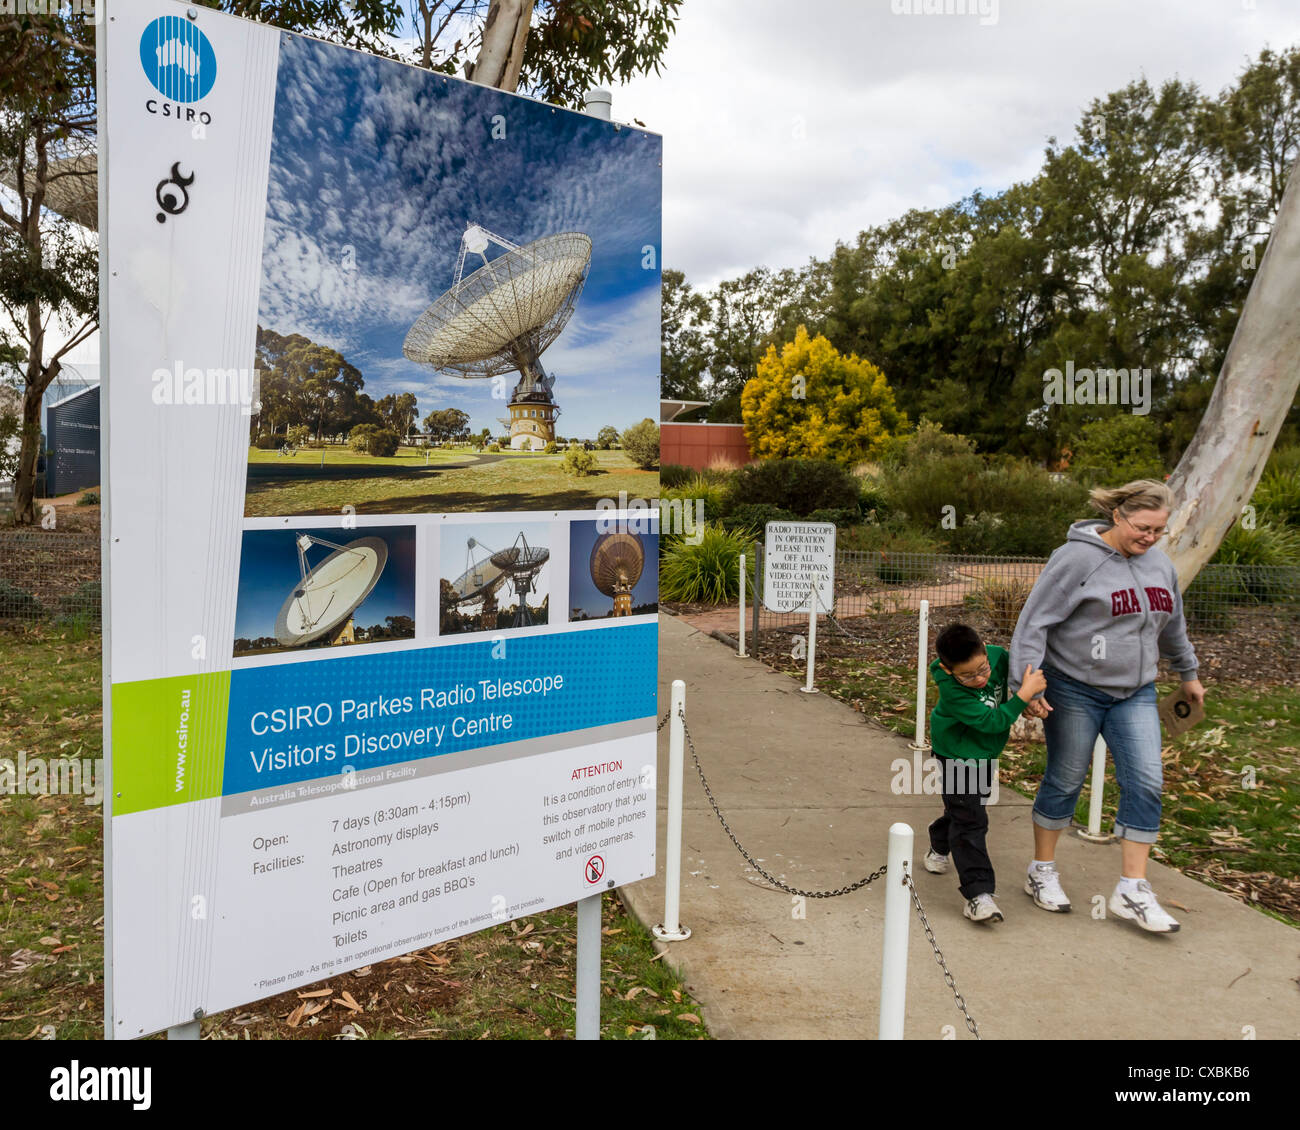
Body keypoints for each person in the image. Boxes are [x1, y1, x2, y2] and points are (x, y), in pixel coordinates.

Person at [1009, 479, 1205, 933]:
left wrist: (1189, 674)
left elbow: (1172, 625)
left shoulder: (1159, 564)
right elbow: (1034, 623)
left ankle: (1132, 891)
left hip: (1135, 691)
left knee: (1147, 781)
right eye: (1143, 527)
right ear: (1117, 516)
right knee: (1065, 778)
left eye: (1159, 530)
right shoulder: (1075, 559)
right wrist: (1028, 685)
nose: (1150, 538)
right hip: (1074, 686)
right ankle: (1042, 871)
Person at [923, 623, 1047, 924]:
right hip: (956, 754)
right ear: (949, 670)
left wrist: (1029, 697)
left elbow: (1019, 675)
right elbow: (994, 721)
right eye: (968, 675)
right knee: (971, 821)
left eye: (983, 669)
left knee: (964, 810)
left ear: (984, 651)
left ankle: (939, 841)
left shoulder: (997, 657)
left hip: (982, 753)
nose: (979, 679)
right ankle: (978, 895)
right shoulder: (952, 692)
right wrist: (1020, 700)